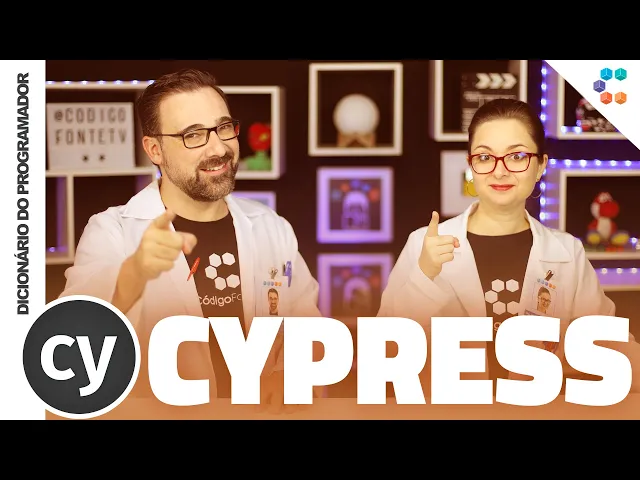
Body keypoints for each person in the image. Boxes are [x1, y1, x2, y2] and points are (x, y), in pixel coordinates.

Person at [59, 68, 322, 411]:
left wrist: (289, 373)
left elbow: (306, 324)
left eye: (223, 127)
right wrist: (133, 274)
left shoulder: (271, 226)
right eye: (193, 135)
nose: (219, 148)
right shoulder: (112, 231)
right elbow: (71, 343)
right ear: (155, 149)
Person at [378, 98, 640, 395]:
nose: (499, 171)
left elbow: (612, 350)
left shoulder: (568, 252)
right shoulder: (423, 243)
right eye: (485, 157)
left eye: (516, 156)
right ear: (471, 165)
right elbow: (384, 354)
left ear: (540, 165)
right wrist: (424, 277)